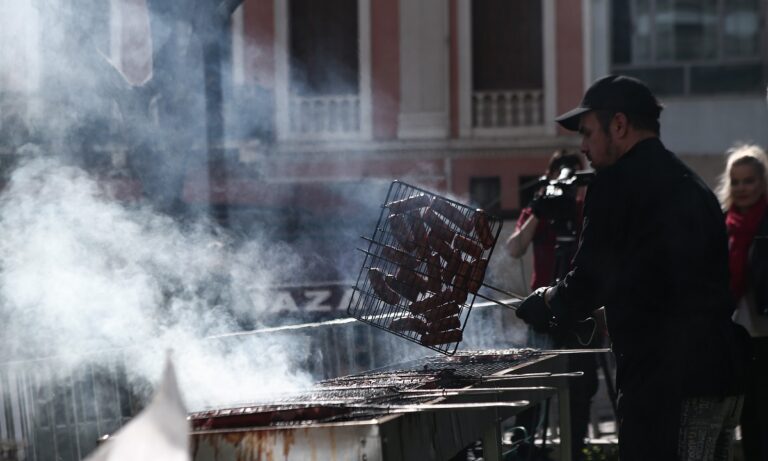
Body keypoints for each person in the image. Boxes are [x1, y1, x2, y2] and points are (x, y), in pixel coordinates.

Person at [515, 75, 749, 460]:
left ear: (619, 125)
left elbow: (589, 278)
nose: (584, 146)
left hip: (666, 383)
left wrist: (548, 302)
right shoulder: (693, 184)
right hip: (720, 374)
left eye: (588, 133)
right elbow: (659, 277)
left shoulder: (615, 184)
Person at [506, 150, 599, 461]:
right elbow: (514, 248)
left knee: (580, 390)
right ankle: (525, 450)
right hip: (541, 311)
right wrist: (539, 209)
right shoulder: (539, 210)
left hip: (581, 310)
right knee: (533, 386)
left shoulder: (585, 209)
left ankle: (574, 450)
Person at [715, 144, 768, 460]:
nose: (742, 188)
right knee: (748, 421)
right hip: (739, 336)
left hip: (766, 334)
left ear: (762, 183)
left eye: (749, 180)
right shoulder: (724, 225)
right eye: (736, 181)